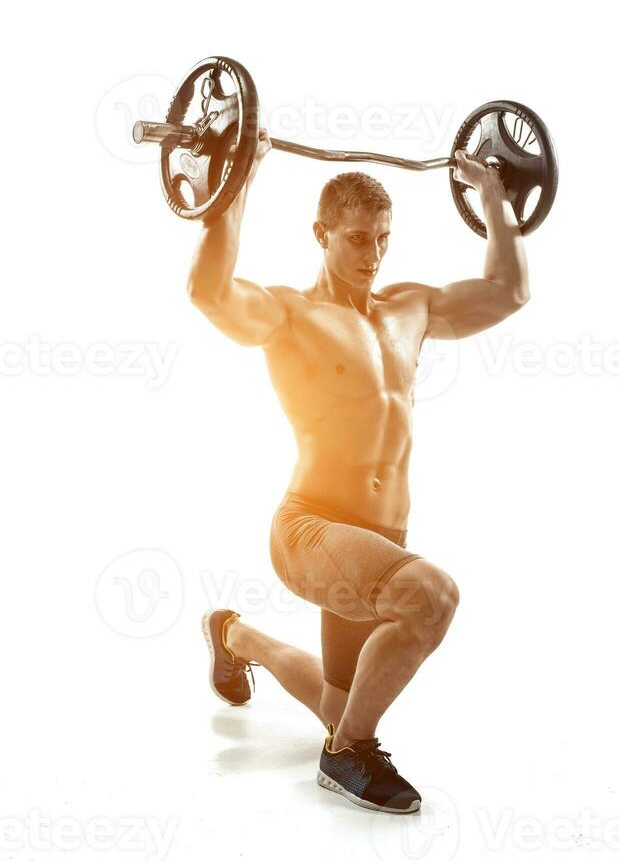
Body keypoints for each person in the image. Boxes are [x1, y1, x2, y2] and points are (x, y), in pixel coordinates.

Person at [191, 128, 529, 813]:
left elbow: (506, 291)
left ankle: (233, 634)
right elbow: (210, 292)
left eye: (382, 237)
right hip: (311, 531)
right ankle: (347, 758)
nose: (372, 254)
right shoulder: (291, 313)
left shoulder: (410, 307)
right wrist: (233, 188)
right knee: (431, 596)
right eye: (355, 238)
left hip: (374, 545)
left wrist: (496, 201)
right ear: (321, 233)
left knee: (334, 702)